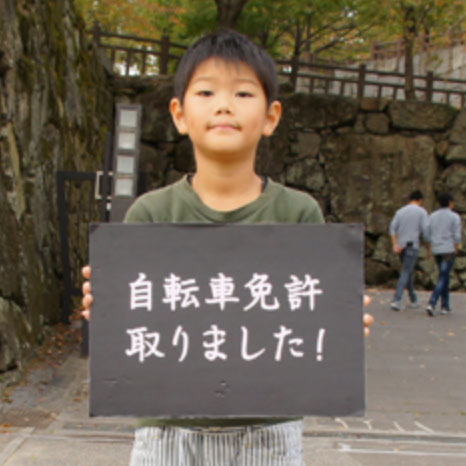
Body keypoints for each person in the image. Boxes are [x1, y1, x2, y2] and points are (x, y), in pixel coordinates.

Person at [82, 29, 373, 466]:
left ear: (272, 116)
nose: (224, 105)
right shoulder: (149, 213)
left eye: (242, 92)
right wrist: (107, 310)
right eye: (205, 91)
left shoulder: (298, 214)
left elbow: (314, 325)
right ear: (179, 114)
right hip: (168, 431)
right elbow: (134, 329)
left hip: (269, 430)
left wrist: (339, 325)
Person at [389, 190, 430, 311]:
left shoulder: (400, 211)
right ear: (420, 200)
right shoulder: (421, 212)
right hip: (412, 246)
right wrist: (428, 248)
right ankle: (396, 299)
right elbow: (426, 232)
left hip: (401, 246)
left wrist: (395, 244)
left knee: (408, 272)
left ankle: (414, 299)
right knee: (406, 272)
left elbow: (392, 228)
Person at [426, 192, 462, 317]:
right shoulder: (454, 217)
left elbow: (427, 233)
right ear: (450, 203)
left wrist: (429, 248)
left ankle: (445, 305)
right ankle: (432, 302)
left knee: (445, 276)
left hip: (437, 249)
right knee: (443, 277)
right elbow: (457, 236)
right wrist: (456, 248)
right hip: (448, 249)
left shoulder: (432, 216)